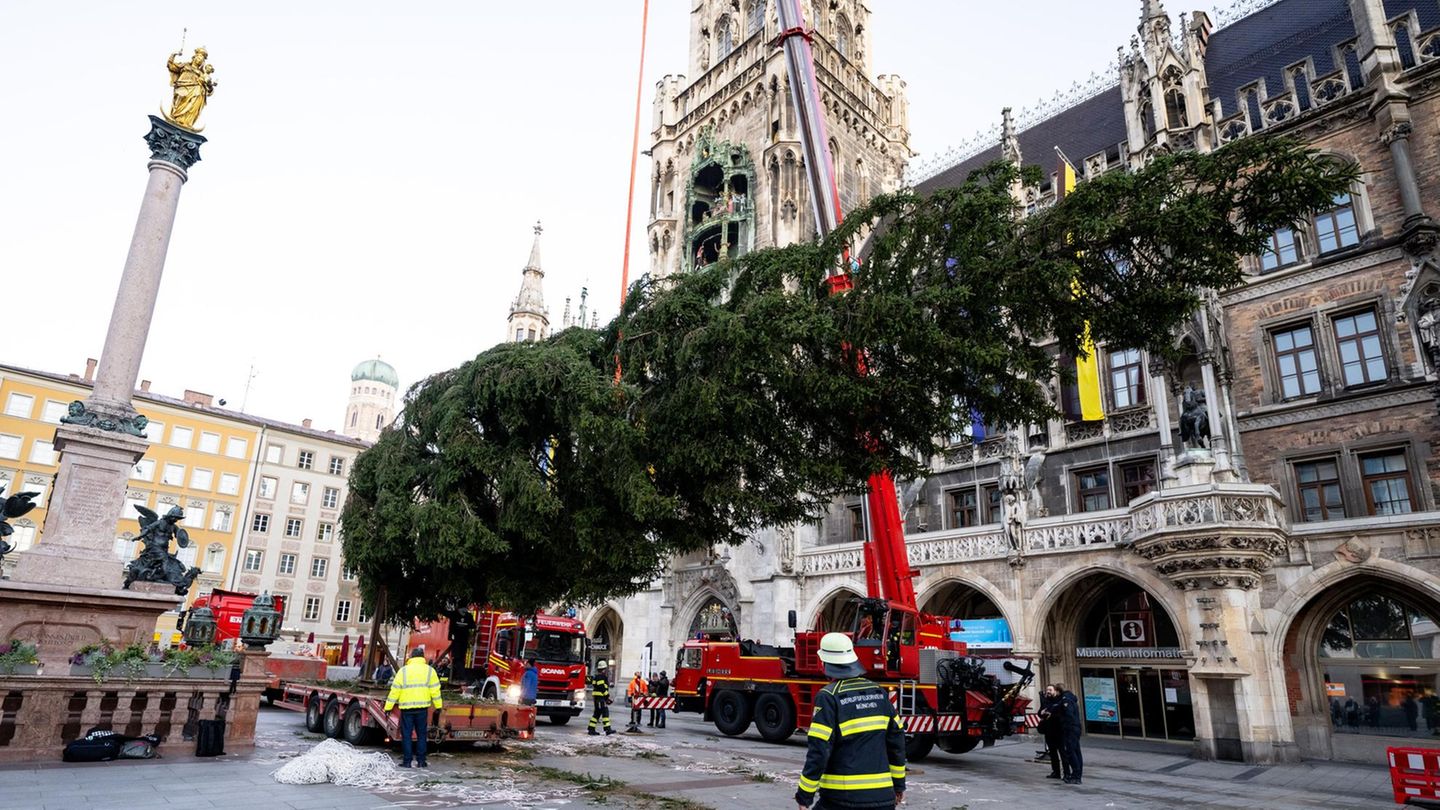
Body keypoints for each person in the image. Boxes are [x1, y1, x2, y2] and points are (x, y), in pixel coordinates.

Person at [795, 632, 905, 810]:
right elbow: (897, 742)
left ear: (824, 663)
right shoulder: (879, 693)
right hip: (883, 797)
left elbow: (819, 750)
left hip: (841, 798)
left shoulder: (828, 696)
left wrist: (804, 796)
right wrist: (899, 785)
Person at [383, 647, 443, 769]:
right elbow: (435, 691)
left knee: (407, 735)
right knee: (421, 735)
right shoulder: (430, 671)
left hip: (407, 709)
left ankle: (407, 762)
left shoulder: (403, 671)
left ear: (411, 657)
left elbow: (394, 691)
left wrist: (387, 707)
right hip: (422, 709)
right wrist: (438, 706)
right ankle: (421, 761)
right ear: (422, 657)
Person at [1056, 682, 1084, 785]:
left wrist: (1066, 726)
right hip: (1076, 727)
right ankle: (1078, 774)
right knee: (1076, 751)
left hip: (1070, 728)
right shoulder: (1071, 698)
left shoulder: (1065, 700)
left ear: (1058, 691)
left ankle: (1076, 776)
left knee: (1071, 752)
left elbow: (1068, 715)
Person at [1038, 684, 1065, 779]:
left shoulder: (1059, 700)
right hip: (1049, 731)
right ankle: (1056, 772)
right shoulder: (1045, 701)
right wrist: (1041, 713)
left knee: (1062, 752)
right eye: (1047, 689)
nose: (1048, 691)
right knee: (1053, 753)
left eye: (1050, 690)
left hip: (1058, 731)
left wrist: (1051, 713)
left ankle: (1066, 773)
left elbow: (1060, 713)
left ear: (1055, 691)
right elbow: (1040, 712)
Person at [588, 660, 614, 736]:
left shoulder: (596, 677)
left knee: (597, 713)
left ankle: (591, 729)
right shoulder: (601, 677)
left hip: (598, 698)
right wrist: (607, 697)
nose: (606, 670)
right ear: (603, 669)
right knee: (605, 713)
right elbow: (602, 688)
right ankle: (607, 729)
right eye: (605, 669)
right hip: (600, 698)